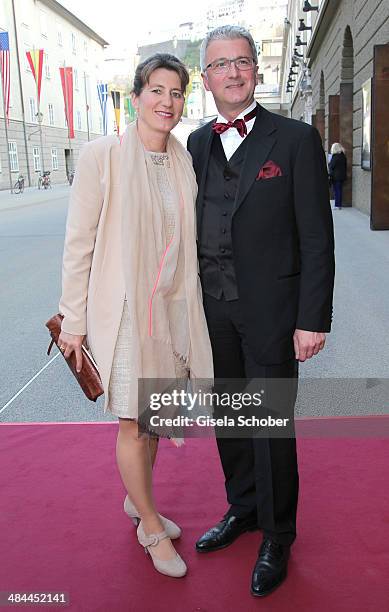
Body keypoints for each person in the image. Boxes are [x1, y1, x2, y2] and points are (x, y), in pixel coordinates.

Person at [187, 26, 335, 597]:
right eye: (220, 64)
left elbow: (317, 237)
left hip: (274, 310)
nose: (232, 72)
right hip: (211, 310)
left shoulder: (295, 138)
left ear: (257, 71)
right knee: (231, 418)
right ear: (206, 79)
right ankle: (243, 508)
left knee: (270, 424)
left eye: (242, 62)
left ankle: (278, 533)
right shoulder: (195, 143)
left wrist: (313, 317)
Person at [58, 53, 213, 579]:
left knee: (157, 416)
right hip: (124, 312)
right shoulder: (103, 155)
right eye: (157, 91)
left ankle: (136, 498)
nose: (167, 103)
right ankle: (149, 522)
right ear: (136, 96)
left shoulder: (181, 159)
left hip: (170, 308)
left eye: (176, 94)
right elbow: (79, 243)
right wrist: (72, 320)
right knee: (135, 420)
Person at [329, 142, 347, 209]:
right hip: (342, 176)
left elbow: (331, 166)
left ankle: (337, 205)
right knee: (339, 190)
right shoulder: (343, 156)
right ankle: (339, 204)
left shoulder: (335, 157)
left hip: (336, 176)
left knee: (337, 191)